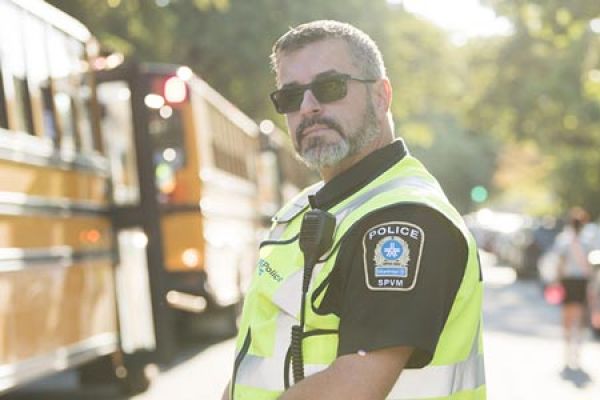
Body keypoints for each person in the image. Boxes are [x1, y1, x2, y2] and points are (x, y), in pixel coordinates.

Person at [223, 20, 485, 400]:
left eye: (330, 87)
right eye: (291, 96)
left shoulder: (406, 218)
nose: (309, 107)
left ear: (381, 96)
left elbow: (353, 387)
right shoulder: (299, 209)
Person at [554, 207, 593, 371]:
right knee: (579, 317)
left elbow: (560, 264)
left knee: (567, 317)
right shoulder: (587, 242)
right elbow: (590, 265)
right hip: (581, 281)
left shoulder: (564, 240)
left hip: (568, 281)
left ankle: (567, 351)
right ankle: (576, 351)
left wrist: (556, 281)